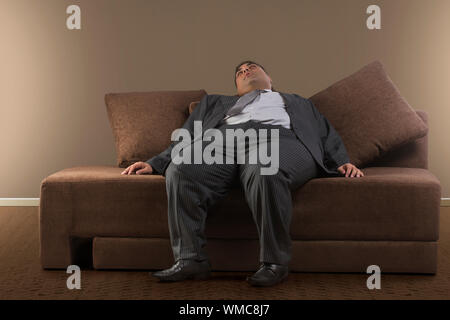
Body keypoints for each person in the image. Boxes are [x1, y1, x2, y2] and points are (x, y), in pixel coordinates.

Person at [121, 60, 364, 287]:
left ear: (270, 78)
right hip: (222, 141)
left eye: (252, 67)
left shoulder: (298, 102)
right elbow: (188, 135)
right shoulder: (214, 104)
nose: (245, 71)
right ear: (236, 87)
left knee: (265, 166)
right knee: (182, 166)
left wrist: (341, 161)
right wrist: (156, 163)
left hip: (279, 140)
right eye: (240, 72)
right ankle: (191, 260)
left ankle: (274, 263)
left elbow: (324, 133)